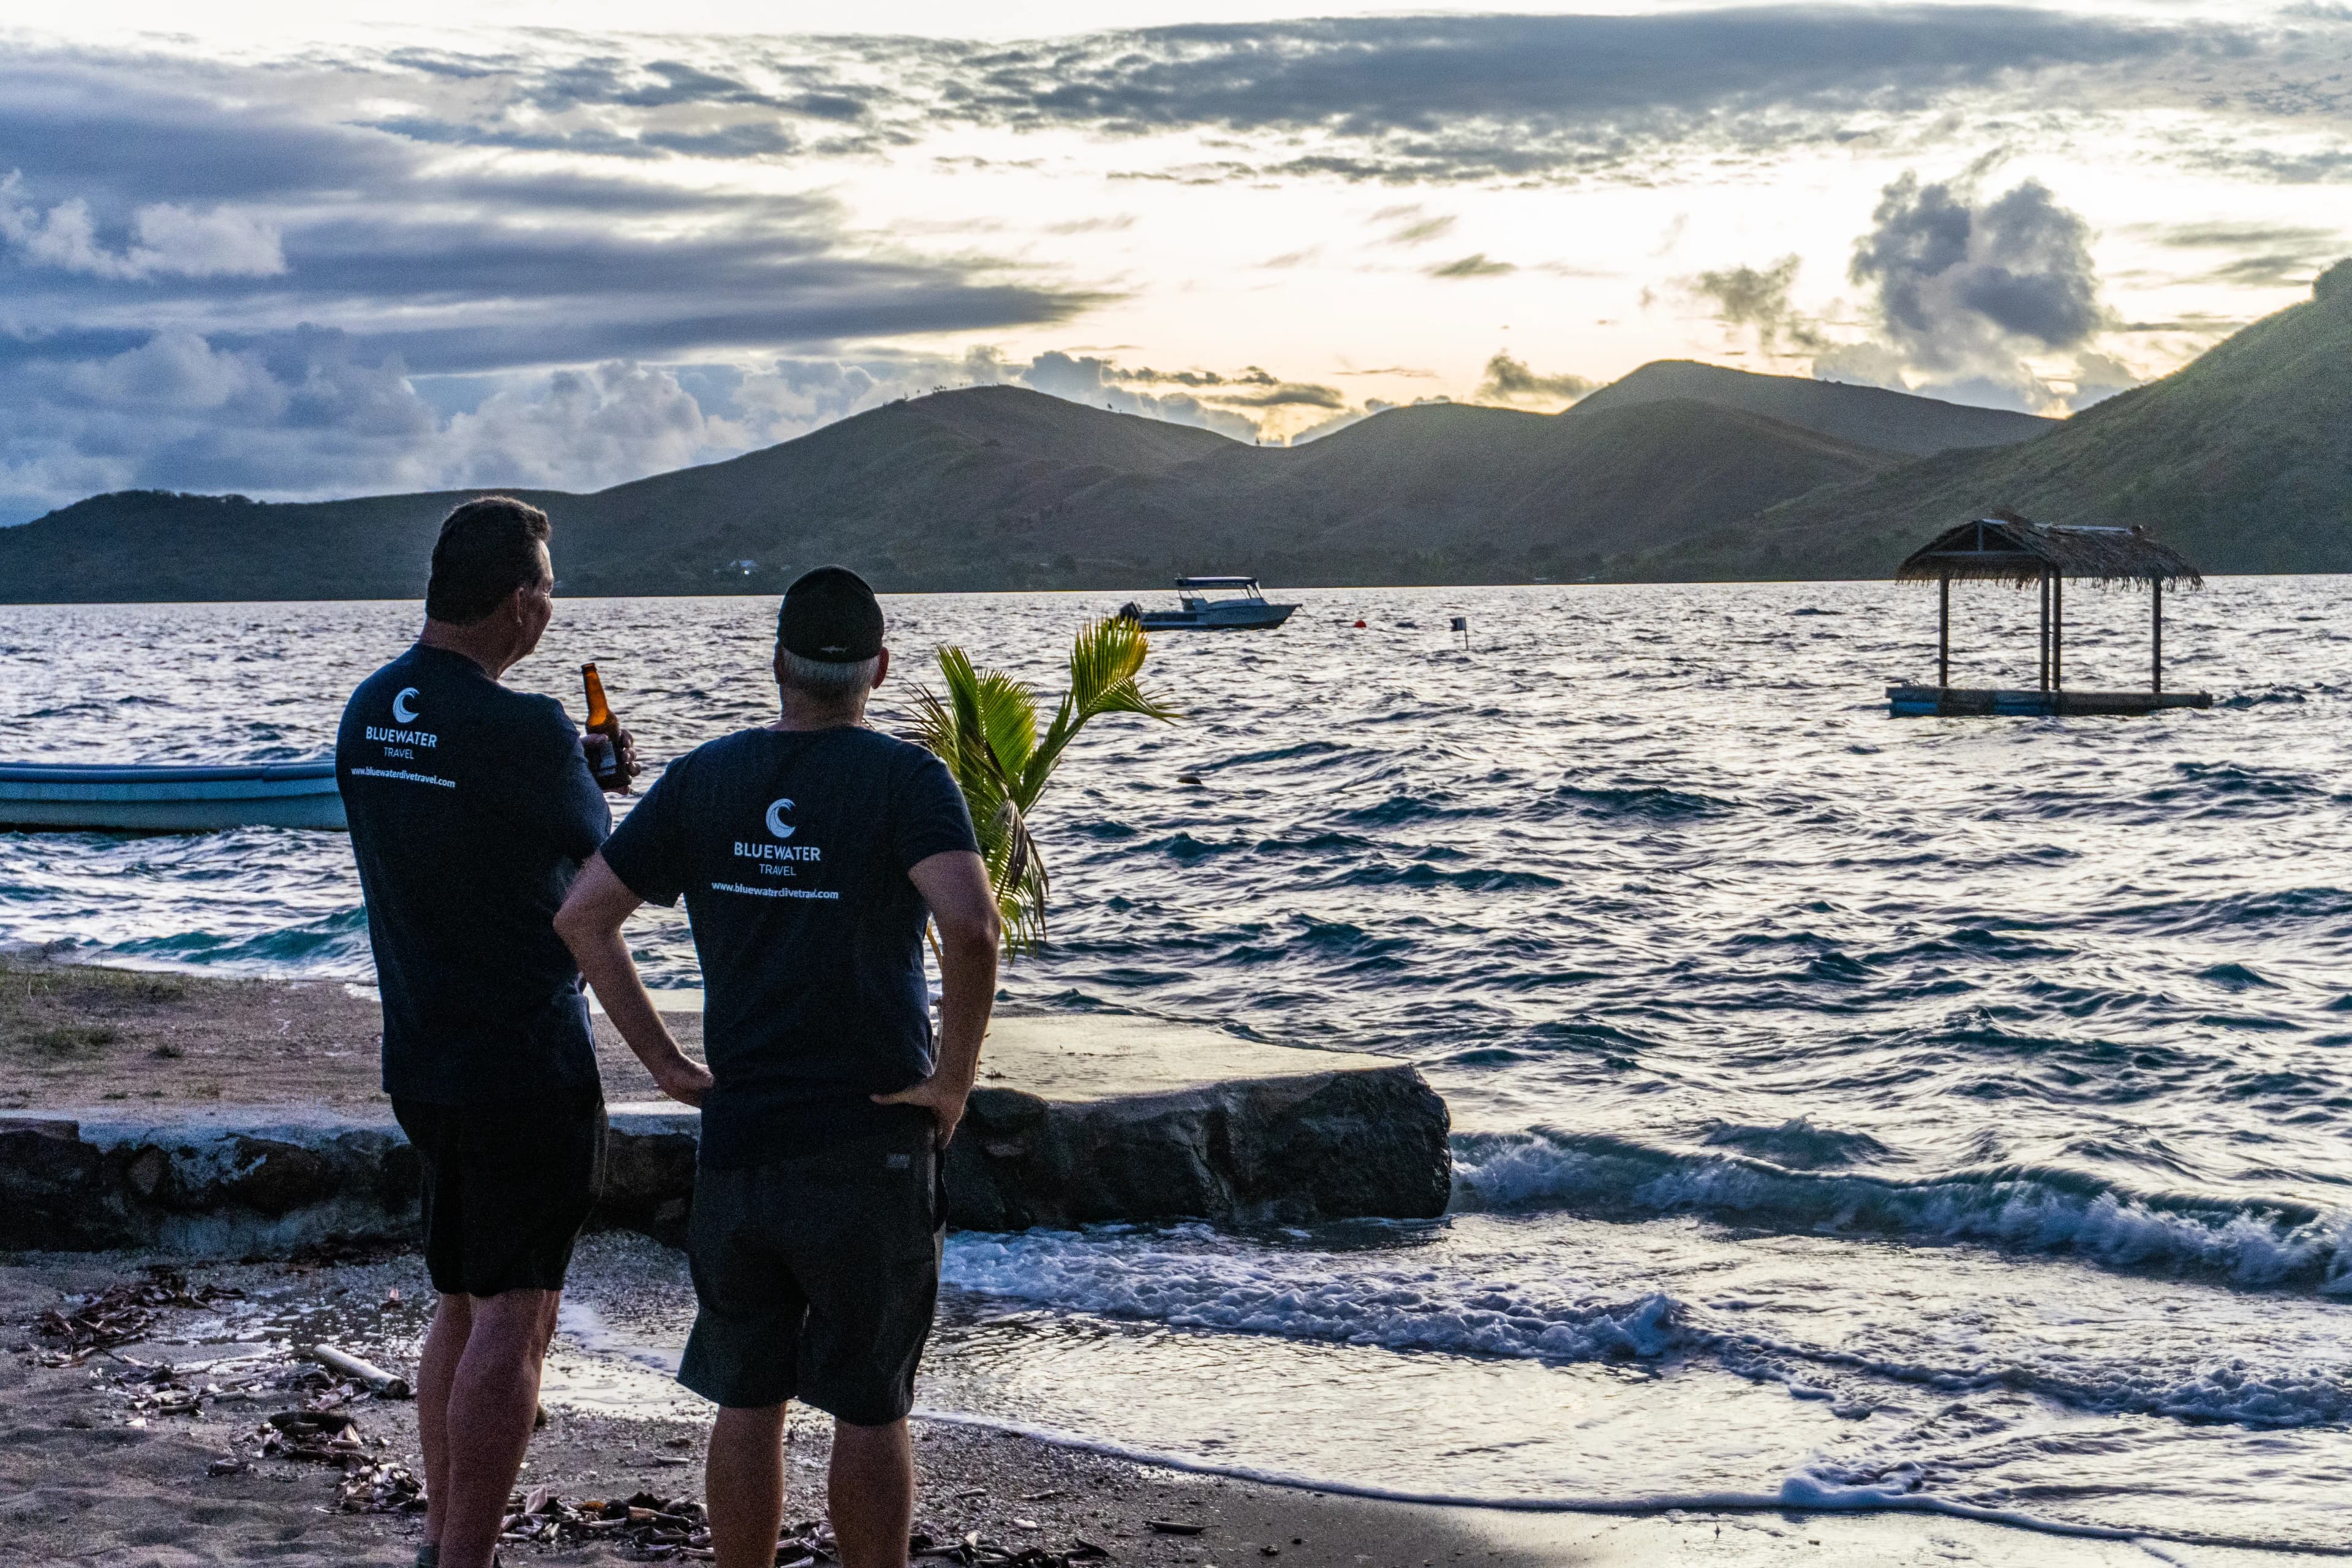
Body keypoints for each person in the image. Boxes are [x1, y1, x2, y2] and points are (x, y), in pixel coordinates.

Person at [554, 566, 1001, 1568]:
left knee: (745, 1396)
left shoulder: (707, 776)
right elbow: (972, 930)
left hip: (744, 1139)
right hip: (869, 1141)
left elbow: (583, 917)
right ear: (878, 670)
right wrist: (954, 1085)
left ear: (778, 668)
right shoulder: (904, 780)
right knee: (868, 1404)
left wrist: (668, 1065)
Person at [337, 496, 713, 1568]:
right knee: (520, 1313)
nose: (549, 606)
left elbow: (470, 838)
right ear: (518, 603)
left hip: (421, 1052)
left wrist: (577, 782)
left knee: (460, 1299)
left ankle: (444, 1540)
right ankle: (467, 1558)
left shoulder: (371, 710)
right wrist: (670, 1063)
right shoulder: (529, 730)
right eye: (547, 586)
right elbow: (604, 882)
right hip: (523, 1062)